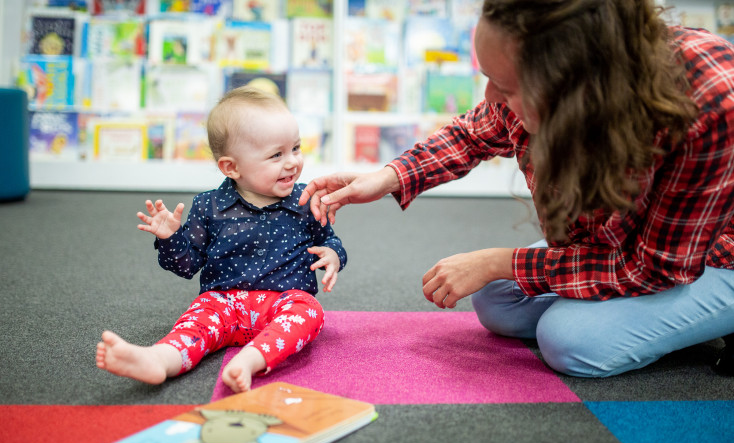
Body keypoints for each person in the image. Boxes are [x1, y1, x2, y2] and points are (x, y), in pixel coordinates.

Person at [299, 0, 734, 378]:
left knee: (571, 340)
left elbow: (653, 268)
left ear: (573, 85)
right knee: (495, 300)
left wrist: (501, 260)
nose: (492, 96)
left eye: (506, 86)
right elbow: (473, 132)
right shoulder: (547, 73)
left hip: (707, 255)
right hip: (620, 239)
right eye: (488, 78)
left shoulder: (711, 103)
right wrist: (384, 178)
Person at [97, 86, 347, 392]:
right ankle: (158, 359)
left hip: (283, 302)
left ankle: (250, 360)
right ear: (231, 167)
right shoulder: (208, 206)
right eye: (276, 155)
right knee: (195, 323)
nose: (293, 162)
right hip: (223, 303)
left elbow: (330, 240)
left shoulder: (307, 199)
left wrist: (334, 256)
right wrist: (170, 237)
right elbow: (187, 265)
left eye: (295, 148)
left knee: (309, 311)